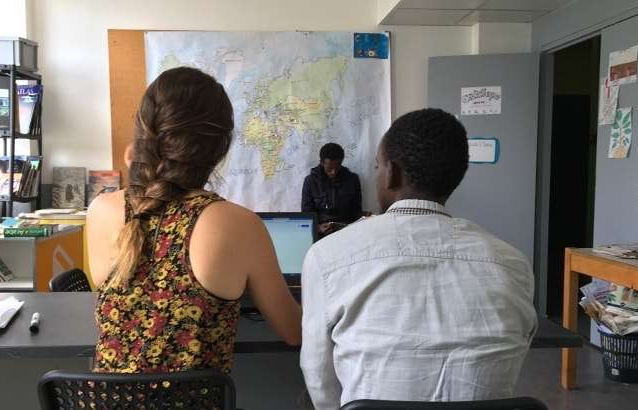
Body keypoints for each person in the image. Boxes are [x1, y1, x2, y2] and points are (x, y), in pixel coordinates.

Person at [300, 109, 537, 409]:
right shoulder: (512, 264)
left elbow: (319, 378)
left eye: (377, 167)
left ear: (392, 173)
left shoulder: (326, 256)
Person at [87, 67, 301, 374]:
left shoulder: (101, 210)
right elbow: (293, 331)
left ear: (143, 132)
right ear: (220, 146)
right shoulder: (237, 224)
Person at [301, 143, 362, 236]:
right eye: (329, 168)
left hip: (346, 232)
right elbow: (306, 216)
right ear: (321, 163)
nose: (333, 172)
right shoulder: (310, 181)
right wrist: (318, 228)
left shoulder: (352, 180)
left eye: (337, 167)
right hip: (320, 234)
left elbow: (356, 212)